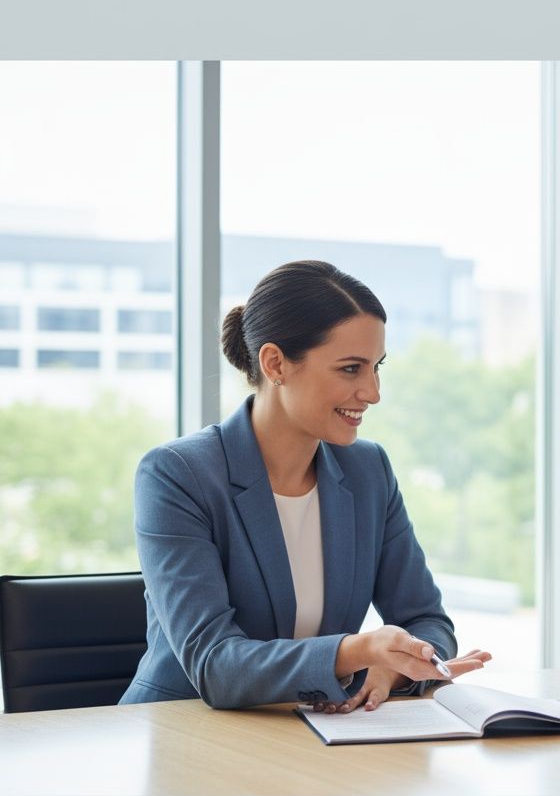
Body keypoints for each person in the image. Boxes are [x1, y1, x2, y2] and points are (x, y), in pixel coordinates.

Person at [121, 260, 490, 711]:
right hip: (184, 733)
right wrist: (355, 652)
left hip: (314, 734)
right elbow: (215, 665)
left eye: (377, 367)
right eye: (351, 369)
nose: (373, 392)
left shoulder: (367, 469)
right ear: (275, 363)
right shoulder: (177, 474)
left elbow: (427, 620)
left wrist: (390, 667)